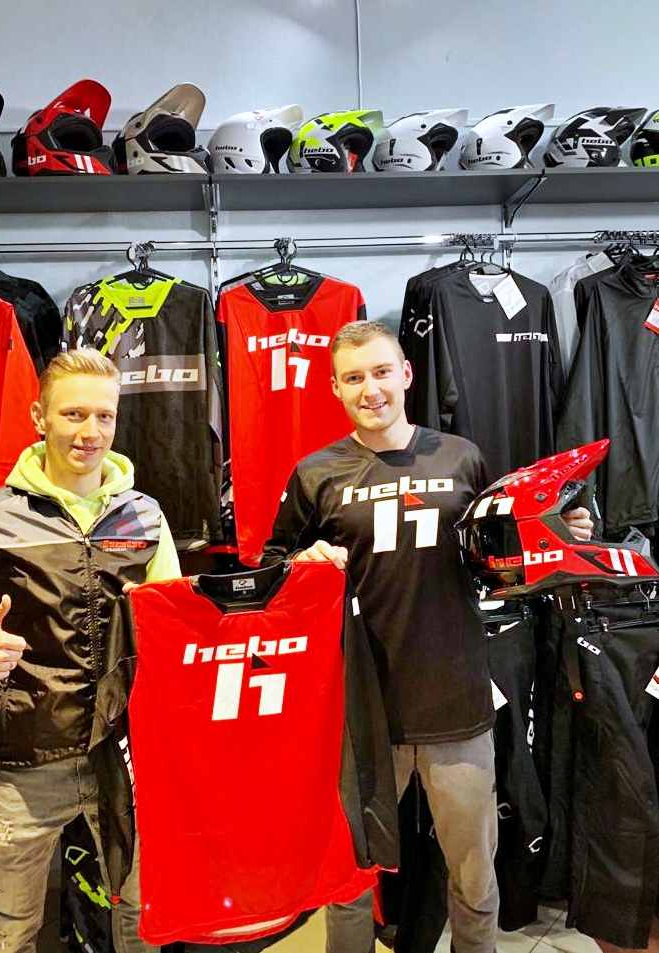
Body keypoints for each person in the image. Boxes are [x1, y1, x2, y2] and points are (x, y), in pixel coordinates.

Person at [262, 320, 593, 953]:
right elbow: (271, 571)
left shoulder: (462, 456)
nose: (371, 389)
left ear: (407, 374)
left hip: (455, 701)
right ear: (334, 388)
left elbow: (501, 552)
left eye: (381, 372)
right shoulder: (314, 473)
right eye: (354, 378)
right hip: (359, 710)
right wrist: (300, 563)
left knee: (474, 876)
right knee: (350, 882)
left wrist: (559, 530)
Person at [0, 348, 180, 953]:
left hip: (126, 758)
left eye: (104, 416)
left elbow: (174, 631)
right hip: (25, 763)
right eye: (73, 414)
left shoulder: (146, 519)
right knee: (11, 931)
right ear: (39, 416)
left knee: (142, 922)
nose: (90, 431)